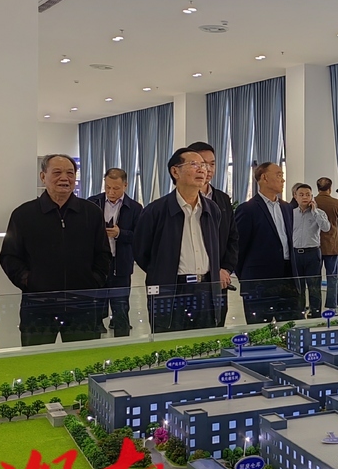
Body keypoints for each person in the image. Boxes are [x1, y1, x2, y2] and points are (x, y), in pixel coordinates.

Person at [0, 154, 110, 346]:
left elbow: (103, 254)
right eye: (57, 172)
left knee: (83, 358)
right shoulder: (24, 214)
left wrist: (94, 281)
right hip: (38, 306)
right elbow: (10, 256)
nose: (64, 178)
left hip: (82, 304)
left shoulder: (91, 212)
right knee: (37, 359)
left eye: (70, 173)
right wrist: (29, 281)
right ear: (43, 177)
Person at [133, 148, 225, 332]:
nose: (202, 169)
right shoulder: (155, 211)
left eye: (203, 165)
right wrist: (162, 272)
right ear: (175, 172)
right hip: (172, 289)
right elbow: (142, 252)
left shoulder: (212, 209)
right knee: (170, 341)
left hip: (206, 288)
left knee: (204, 342)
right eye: (194, 164)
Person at [234, 162, 301, 322]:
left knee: (291, 325)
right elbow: (239, 248)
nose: (282, 180)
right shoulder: (248, 209)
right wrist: (246, 278)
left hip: (287, 278)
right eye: (278, 175)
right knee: (260, 329)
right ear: (264, 177)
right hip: (259, 282)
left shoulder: (286, 208)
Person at [87, 168, 143, 336]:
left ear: (125, 185)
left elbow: (140, 236)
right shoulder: (92, 203)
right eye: (108, 187)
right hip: (97, 265)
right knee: (95, 305)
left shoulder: (135, 208)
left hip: (121, 265)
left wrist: (120, 233)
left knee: (121, 306)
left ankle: (122, 336)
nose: (111, 192)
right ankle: (95, 334)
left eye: (116, 188)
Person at [188, 142, 238, 325]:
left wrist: (225, 268)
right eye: (202, 163)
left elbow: (232, 238)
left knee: (216, 326)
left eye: (212, 164)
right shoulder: (173, 203)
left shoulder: (222, 199)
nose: (208, 169)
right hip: (187, 281)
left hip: (219, 280)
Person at [291, 183, 331, 317]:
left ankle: (315, 313)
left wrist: (315, 212)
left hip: (312, 253)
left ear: (312, 196)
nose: (305, 197)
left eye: (308, 195)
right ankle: (299, 313)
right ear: (295, 196)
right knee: (298, 287)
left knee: (314, 286)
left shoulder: (319, 213)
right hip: (295, 253)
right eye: (301, 195)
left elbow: (326, 228)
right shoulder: (291, 213)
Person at [315, 178, 338, 309]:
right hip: (332, 244)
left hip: (315, 244)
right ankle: (331, 305)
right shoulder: (336, 203)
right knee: (332, 276)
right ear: (330, 188)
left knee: (315, 277)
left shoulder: (313, 202)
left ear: (317, 188)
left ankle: (315, 306)